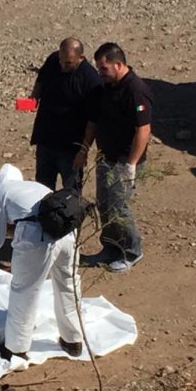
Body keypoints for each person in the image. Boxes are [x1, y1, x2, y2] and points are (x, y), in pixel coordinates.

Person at [0, 164, 83, 361]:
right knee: (68, 284)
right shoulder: (34, 186)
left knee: (25, 291)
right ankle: (73, 339)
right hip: (67, 233)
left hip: (37, 236)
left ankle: (16, 347)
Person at [73, 42, 154, 273]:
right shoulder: (108, 88)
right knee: (105, 205)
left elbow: (143, 130)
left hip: (123, 162)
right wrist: (86, 149)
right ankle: (110, 247)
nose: (100, 73)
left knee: (120, 207)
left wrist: (132, 164)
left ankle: (132, 251)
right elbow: (95, 121)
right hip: (106, 157)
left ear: (118, 65)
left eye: (104, 68)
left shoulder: (135, 90)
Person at [30, 37, 102, 190]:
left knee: (71, 193)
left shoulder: (91, 81)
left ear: (81, 58)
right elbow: (41, 79)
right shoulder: (53, 60)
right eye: (61, 61)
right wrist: (34, 97)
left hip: (70, 149)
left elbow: (92, 122)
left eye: (68, 63)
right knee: (41, 189)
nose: (62, 66)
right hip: (46, 140)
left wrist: (83, 151)